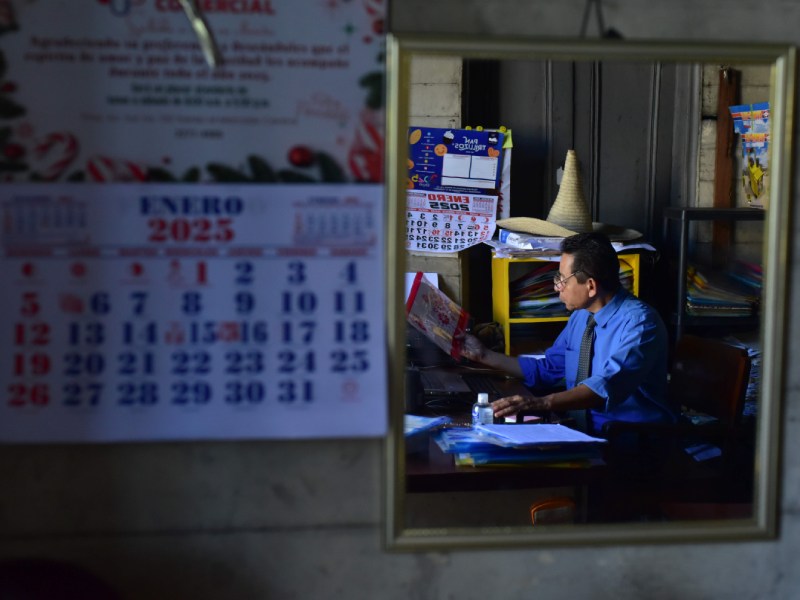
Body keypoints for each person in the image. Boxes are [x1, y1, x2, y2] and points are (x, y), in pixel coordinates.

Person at [459, 231, 677, 436]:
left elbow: (602, 388)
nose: (557, 288)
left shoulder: (640, 324)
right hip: (580, 429)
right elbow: (548, 369)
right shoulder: (582, 316)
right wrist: (483, 355)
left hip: (629, 438)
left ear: (590, 286)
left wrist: (540, 403)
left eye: (562, 279)